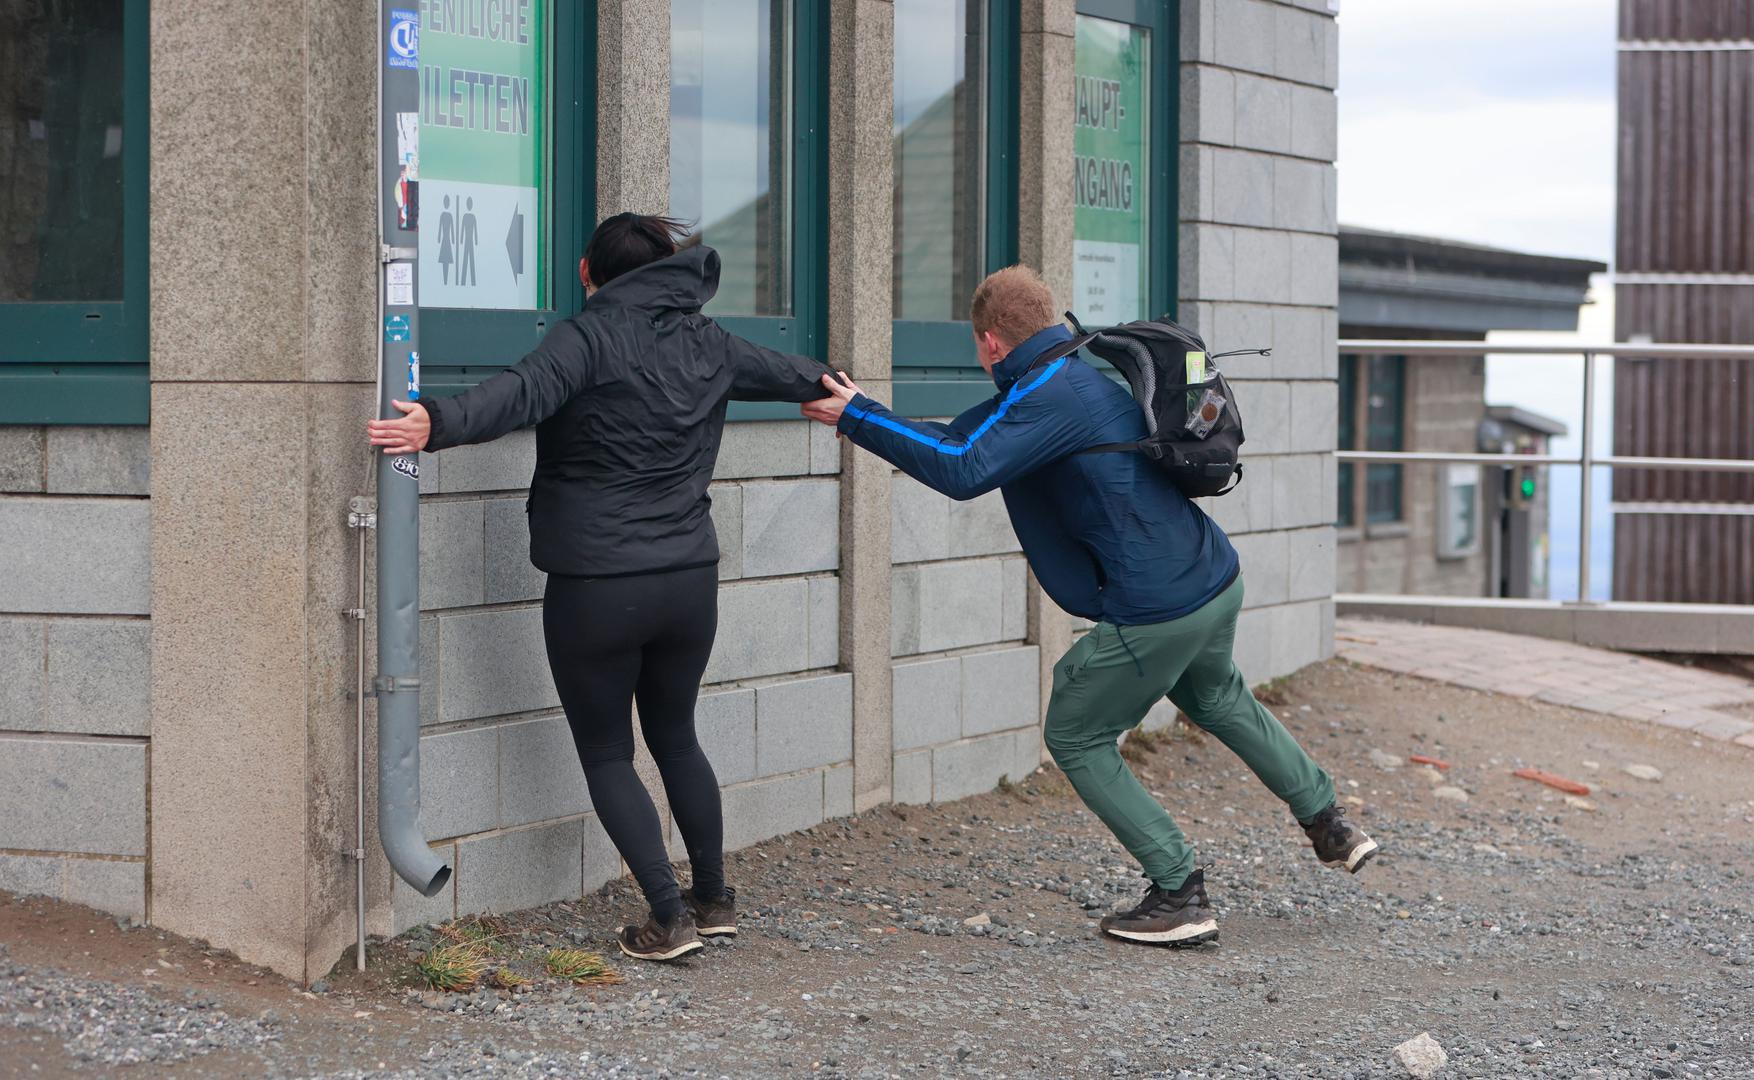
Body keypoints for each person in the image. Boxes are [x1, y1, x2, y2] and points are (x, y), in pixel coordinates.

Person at [801, 265, 1376, 947]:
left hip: (1159, 605)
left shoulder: (1044, 396)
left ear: (988, 341)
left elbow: (961, 468)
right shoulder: (1069, 376)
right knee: (1219, 697)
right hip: (1213, 579)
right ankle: (1330, 823)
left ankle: (1178, 889)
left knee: (1075, 729)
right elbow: (961, 436)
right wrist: (863, 413)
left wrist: (859, 416)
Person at [367, 213, 832, 962]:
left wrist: (433, 423)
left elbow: (517, 394)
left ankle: (667, 918)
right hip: (689, 581)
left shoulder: (585, 339)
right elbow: (795, 372)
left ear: (588, 273)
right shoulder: (707, 340)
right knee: (676, 735)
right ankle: (713, 899)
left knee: (610, 751)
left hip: (596, 586)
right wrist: (836, 395)